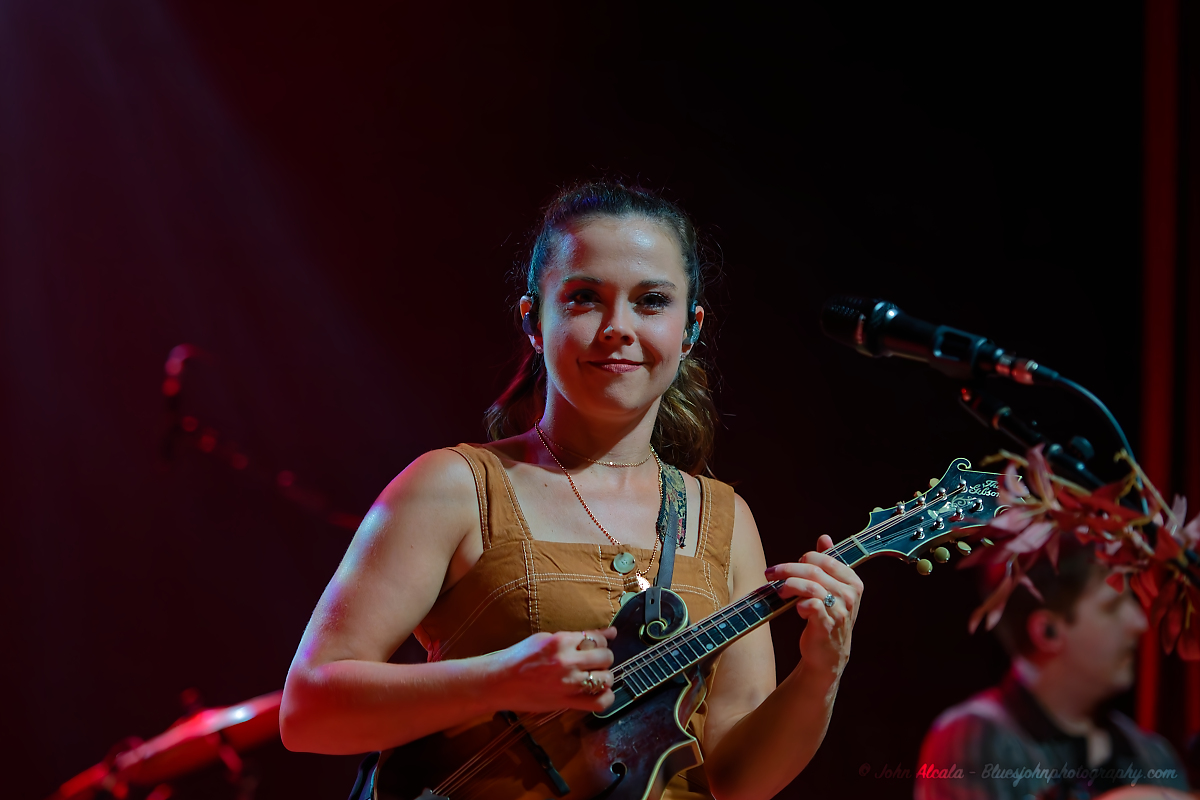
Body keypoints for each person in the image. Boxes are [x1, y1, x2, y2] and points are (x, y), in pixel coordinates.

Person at [279, 180, 864, 800]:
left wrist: (822, 672)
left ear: (690, 329)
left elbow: (735, 781)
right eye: (586, 298)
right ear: (534, 320)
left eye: (651, 301)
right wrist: (500, 679)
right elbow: (308, 710)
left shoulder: (723, 519)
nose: (618, 327)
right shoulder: (453, 486)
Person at [915, 542, 1190, 800]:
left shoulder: (1153, 755)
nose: (1140, 622)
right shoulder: (973, 739)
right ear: (1047, 631)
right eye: (1112, 607)